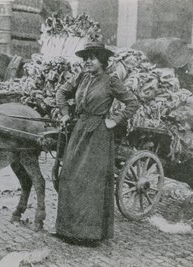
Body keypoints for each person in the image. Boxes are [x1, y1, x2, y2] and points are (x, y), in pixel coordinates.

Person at [55, 42, 140, 243]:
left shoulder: (111, 81)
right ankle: (67, 230)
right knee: (68, 177)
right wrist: (65, 113)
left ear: (102, 60)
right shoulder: (81, 77)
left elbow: (132, 102)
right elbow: (61, 92)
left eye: (91, 58)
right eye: (85, 58)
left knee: (91, 183)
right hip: (79, 130)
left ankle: (89, 234)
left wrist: (115, 120)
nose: (87, 62)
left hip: (99, 135)